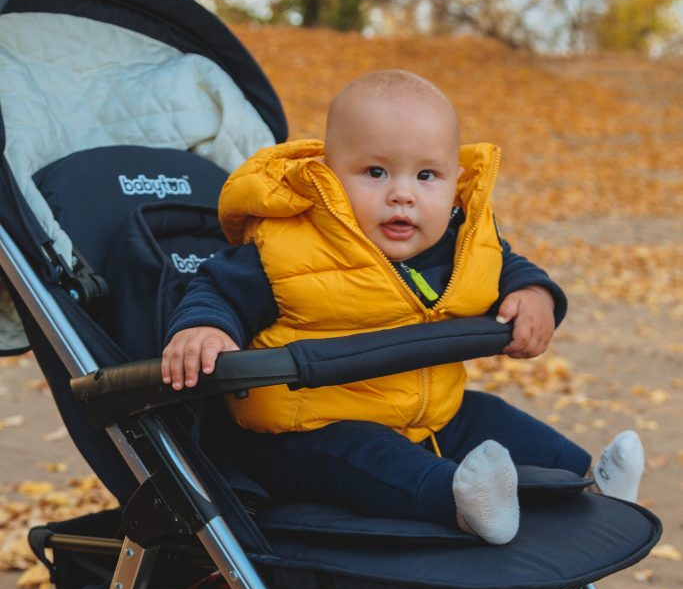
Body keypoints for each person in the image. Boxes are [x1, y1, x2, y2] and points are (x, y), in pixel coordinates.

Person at [161, 69, 644, 544]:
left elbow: (504, 266)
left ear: (454, 182)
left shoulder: (456, 241)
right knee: (365, 454)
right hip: (308, 432)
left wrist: (535, 295)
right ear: (328, 175)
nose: (402, 194)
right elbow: (218, 288)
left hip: (426, 415)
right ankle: (462, 505)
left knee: (486, 417)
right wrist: (204, 327)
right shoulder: (291, 247)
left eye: (426, 175)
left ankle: (589, 481)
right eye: (376, 172)